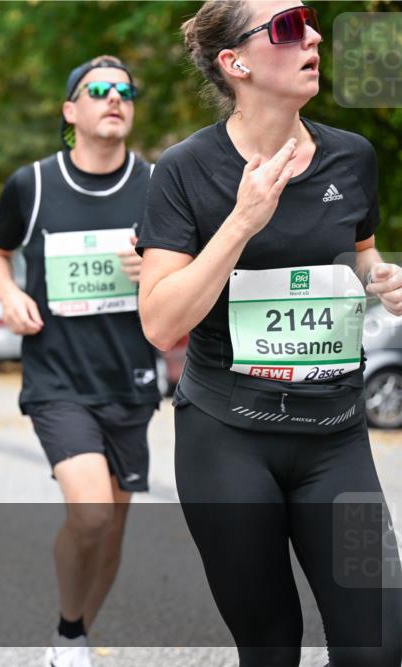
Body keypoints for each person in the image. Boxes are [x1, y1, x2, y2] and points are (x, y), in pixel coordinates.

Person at [138, 3, 402, 665]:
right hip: (228, 440)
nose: (313, 36)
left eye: (310, 21)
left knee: (379, 641)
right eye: (287, 28)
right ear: (237, 63)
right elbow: (161, 320)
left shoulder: (351, 156)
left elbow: (358, 251)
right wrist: (241, 221)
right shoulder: (185, 170)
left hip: (336, 438)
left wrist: (382, 277)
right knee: (270, 646)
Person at [0, 55, 160, 667]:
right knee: (90, 513)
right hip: (57, 378)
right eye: (98, 89)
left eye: (124, 90)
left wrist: (158, 269)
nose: (115, 98)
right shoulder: (32, 185)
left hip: (131, 378)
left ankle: (76, 633)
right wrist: (8, 295)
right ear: (70, 111)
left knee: (112, 529)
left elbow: (190, 274)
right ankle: (67, 631)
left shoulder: (159, 185)